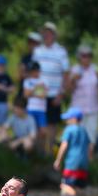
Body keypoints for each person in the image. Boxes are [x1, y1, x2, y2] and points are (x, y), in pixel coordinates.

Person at [32, 22, 70, 155]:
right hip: (39, 93)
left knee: (52, 124)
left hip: (54, 93)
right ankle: (39, 152)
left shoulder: (61, 51)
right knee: (38, 123)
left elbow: (66, 74)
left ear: (54, 35)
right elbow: (34, 72)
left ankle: (50, 152)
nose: (47, 35)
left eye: (50, 32)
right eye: (45, 32)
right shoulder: (37, 50)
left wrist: (61, 94)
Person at [68, 44, 98, 146]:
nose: (86, 58)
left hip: (93, 106)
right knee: (77, 133)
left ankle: (89, 157)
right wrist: (73, 79)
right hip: (78, 108)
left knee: (92, 133)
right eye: (83, 55)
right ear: (79, 57)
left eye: (88, 55)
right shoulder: (74, 69)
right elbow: (69, 89)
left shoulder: (96, 69)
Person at [53, 108, 91, 196]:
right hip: (84, 164)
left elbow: (64, 145)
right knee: (80, 188)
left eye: (68, 118)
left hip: (72, 164)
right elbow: (89, 146)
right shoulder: (84, 130)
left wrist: (58, 160)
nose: (66, 120)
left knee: (65, 187)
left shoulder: (69, 129)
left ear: (74, 119)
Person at [23, 61, 48, 154]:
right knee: (31, 131)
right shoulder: (27, 81)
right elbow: (26, 94)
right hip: (30, 109)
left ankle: (41, 151)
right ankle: (31, 151)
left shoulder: (44, 80)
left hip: (41, 110)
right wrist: (36, 89)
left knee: (42, 132)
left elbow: (43, 95)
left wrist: (32, 92)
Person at [17, 32, 42, 99]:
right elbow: (20, 75)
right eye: (30, 42)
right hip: (24, 92)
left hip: (38, 95)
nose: (32, 45)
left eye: (35, 43)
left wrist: (28, 74)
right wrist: (33, 75)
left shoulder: (42, 58)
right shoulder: (25, 58)